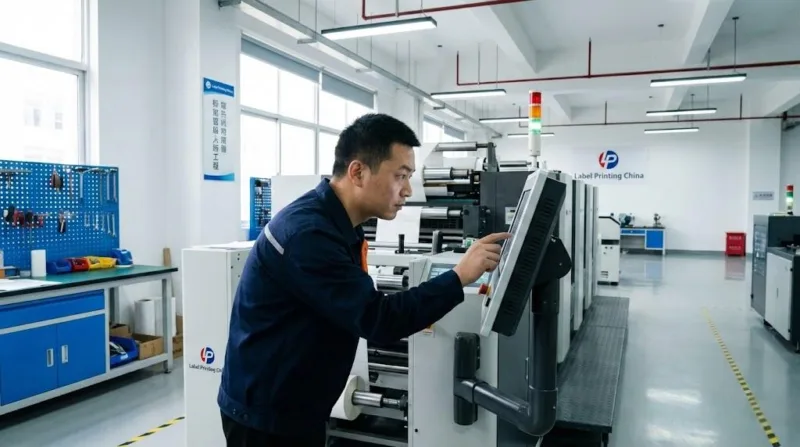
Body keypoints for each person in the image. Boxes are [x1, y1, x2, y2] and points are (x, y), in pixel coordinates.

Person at [218, 113, 510, 446]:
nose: (408, 190)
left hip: (294, 403)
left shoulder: (337, 223)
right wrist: (458, 277)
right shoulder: (309, 235)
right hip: (266, 417)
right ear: (357, 171)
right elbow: (377, 319)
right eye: (400, 176)